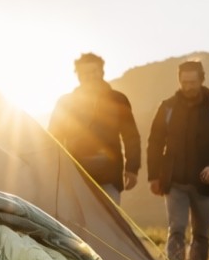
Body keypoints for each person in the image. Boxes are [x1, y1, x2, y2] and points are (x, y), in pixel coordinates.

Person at [145, 58, 209, 260]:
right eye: (184, 82)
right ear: (179, 80)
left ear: (202, 79)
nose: (188, 87)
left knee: (202, 234)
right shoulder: (167, 107)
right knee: (176, 229)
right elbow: (155, 142)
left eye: (193, 82)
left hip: (206, 184)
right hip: (174, 180)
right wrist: (154, 176)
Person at [47, 52, 140, 197]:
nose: (90, 76)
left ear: (102, 71)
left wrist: (132, 169)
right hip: (75, 174)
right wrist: (53, 169)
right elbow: (53, 138)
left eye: (94, 71)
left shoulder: (118, 99)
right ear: (77, 75)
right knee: (76, 220)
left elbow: (131, 136)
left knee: (109, 219)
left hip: (110, 176)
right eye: (85, 73)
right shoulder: (66, 103)